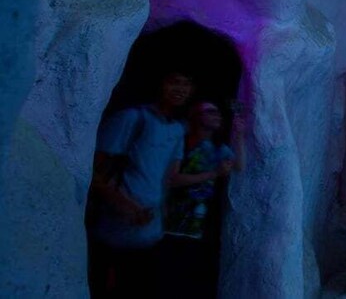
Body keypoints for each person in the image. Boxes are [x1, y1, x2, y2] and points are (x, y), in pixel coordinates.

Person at [88, 69, 193, 298]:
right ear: (160, 84)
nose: (180, 89)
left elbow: (169, 177)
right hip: (113, 229)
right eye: (174, 81)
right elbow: (93, 172)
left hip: (150, 233)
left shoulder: (177, 129)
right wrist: (126, 205)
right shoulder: (131, 118)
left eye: (186, 84)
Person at [160, 99, 246, 297]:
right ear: (195, 117)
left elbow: (239, 165)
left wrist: (240, 134)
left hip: (199, 227)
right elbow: (172, 180)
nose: (217, 115)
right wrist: (213, 173)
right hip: (171, 224)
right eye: (210, 111)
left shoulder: (217, 148)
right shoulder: (181, 143)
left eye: (217, 112)